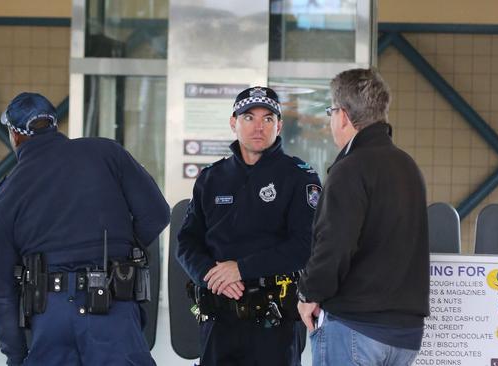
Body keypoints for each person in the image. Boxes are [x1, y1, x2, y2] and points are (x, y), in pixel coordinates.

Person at [0, 92, 170, 366]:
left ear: (14, 134)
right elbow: (157, 214)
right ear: (54, 125)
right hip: (112, 306)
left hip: (50, 318)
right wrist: (123, 251)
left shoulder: (6, 193)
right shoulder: (107, 152)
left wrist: (17, 355)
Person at [177, 86, 321, 366]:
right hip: (218, 316)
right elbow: (186, 243)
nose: (259, 126)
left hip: (273, 322)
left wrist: (241, 269)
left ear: (278, 126)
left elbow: (306, 246)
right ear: (234, 123)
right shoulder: (212, 178)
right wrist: (210, 275)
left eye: (268, 119)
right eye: (249, 117)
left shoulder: (298, 177)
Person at [296, 68, 430, 366]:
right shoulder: (408, 166)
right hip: (406, 334)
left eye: (331, 111)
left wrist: (309, 295)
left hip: (356, 325)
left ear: (343, 115)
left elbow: (334, 243)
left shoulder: (351, 167)